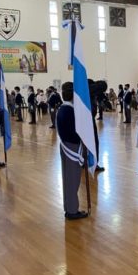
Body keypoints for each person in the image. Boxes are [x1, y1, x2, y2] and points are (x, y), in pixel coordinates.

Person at [56, 82, 88, 220]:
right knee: (72, 180)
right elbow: (74, 132)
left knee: (68, 180)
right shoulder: (70, 111)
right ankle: (72, 210)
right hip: (72, 147)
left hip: (66, 146)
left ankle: (69, 207)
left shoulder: (62, 108)